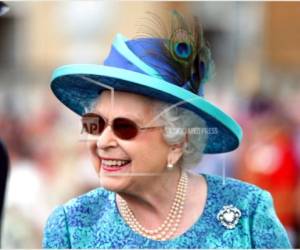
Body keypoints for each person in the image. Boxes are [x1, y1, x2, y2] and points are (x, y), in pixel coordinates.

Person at [43, 11, 291, 248]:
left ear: (178, 141)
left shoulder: (247, 213)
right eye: (94, 125)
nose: (103, 141)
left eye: (125, 127)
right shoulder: (71, 227)